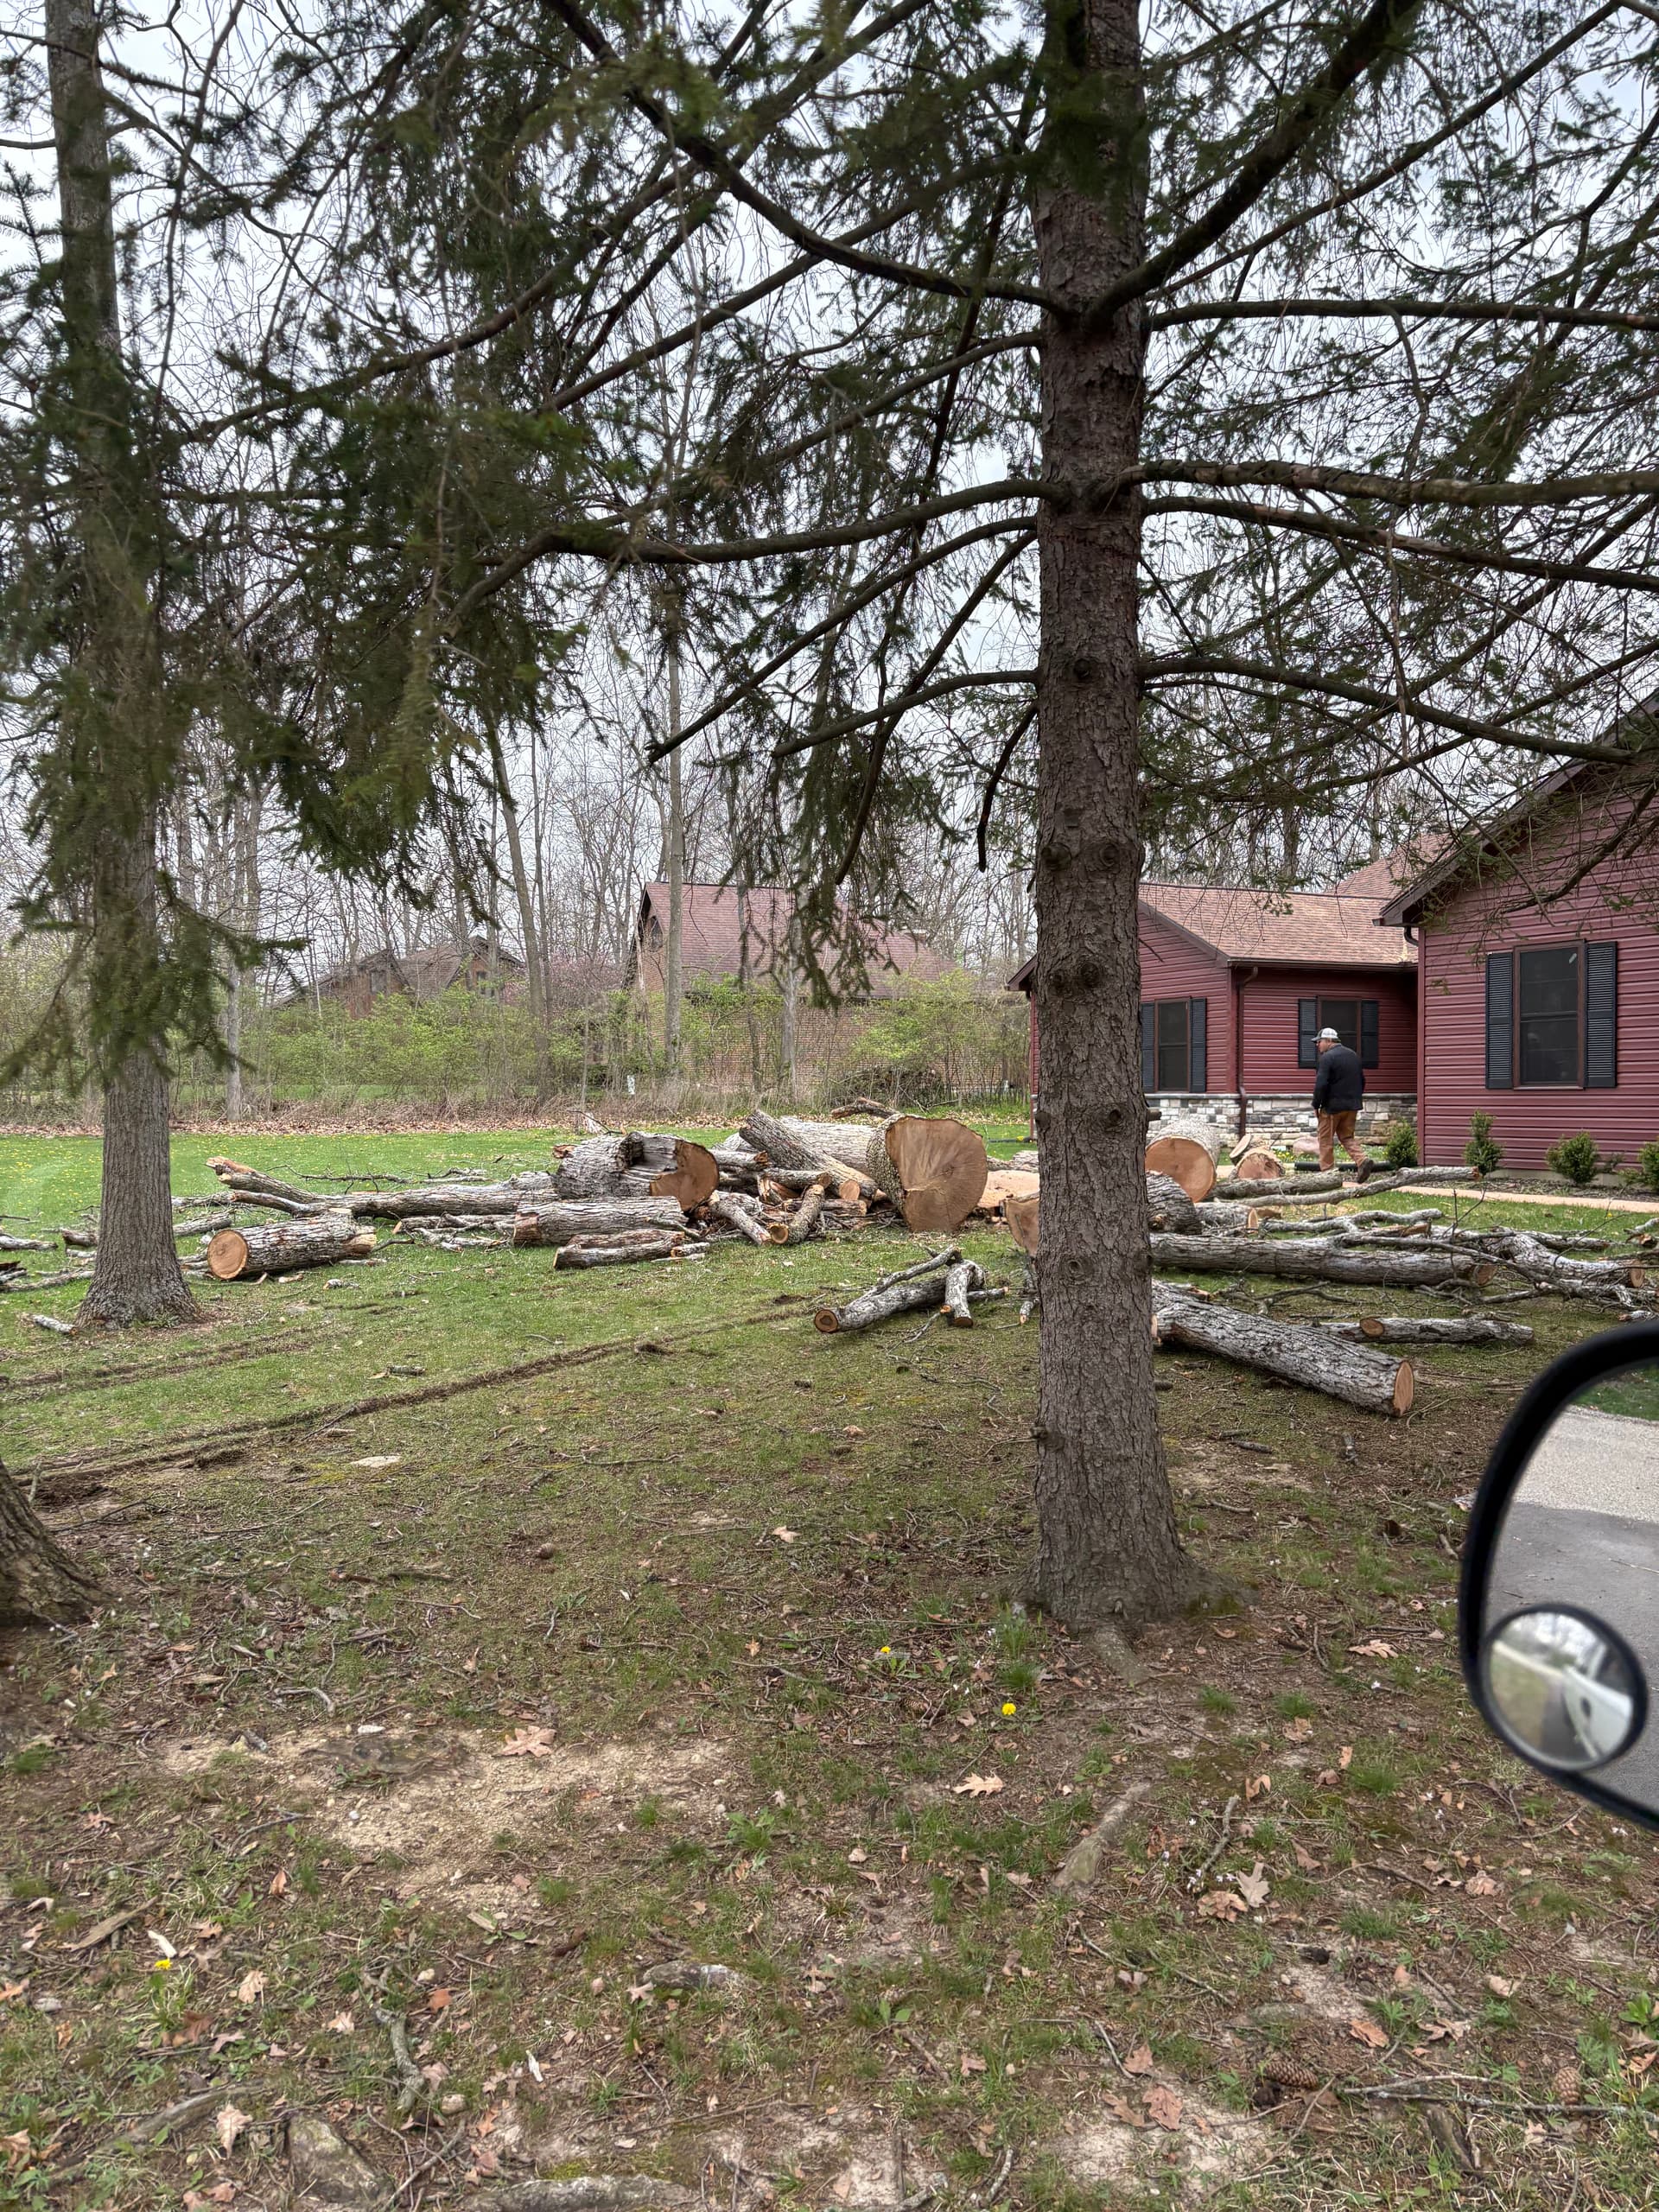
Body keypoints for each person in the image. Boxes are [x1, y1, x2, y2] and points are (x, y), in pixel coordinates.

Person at [1312, 1027, 1371, 1177]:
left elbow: (1321, 1084)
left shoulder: (1326, 1058)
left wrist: (1316, 1104)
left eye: (1319, 1041)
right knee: (1347, 1137)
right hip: (1352, 1106)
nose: (1317, 1045)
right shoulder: (1353, 1056)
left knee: (1325, 1140)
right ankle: (1362, 1160)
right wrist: (1355, 1098)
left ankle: (1327, 1174)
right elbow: (1362, 1080)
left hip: (1332, 1108)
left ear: (1329, 1041)